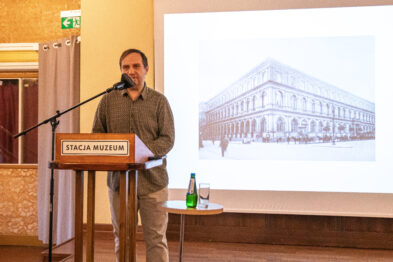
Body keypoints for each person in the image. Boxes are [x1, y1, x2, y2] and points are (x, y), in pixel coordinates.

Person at [92, 48, 175, 262]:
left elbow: (167, 139)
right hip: (119, 184)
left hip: (153, 184)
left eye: (136, 66)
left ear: (146, 69)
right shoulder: (108, 100)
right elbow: (97, 135)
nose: (131, 71)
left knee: (156, 239)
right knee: (122, 237)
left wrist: (143, 153)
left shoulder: (159, 102)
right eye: (126, 67)